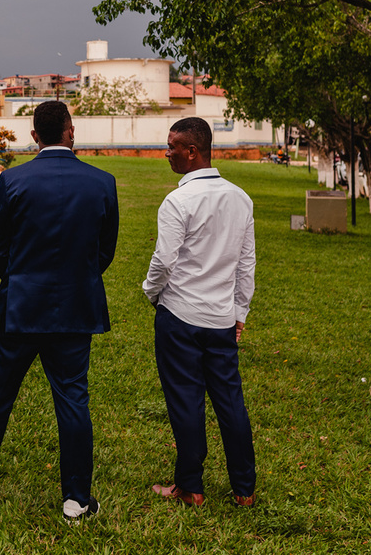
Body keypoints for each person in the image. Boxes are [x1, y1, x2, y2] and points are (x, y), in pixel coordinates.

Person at [0, 100, 119, 522]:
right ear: (71, 131)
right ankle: (77, 499)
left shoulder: (13, 180)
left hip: (20, 304)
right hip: (74, 307)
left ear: (34, 136)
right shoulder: (102, 182)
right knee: (73, 399)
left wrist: (20, 278)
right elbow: (105, 251)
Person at [143, 117, 256, 509]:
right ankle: (244, 489)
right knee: (230, 402)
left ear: (193, 151)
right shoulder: (241, 198)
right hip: (222, 319)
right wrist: (240, 310)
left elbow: (163, 260)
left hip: (180, 317)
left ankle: (191, 487)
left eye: (172, 145)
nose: (167, 152)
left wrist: (150, 292)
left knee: (186, 402)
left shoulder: (178, 201)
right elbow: (247, 263)